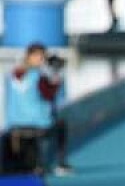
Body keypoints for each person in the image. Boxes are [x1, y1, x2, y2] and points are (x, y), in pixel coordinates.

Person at [3, 43, 73, 175]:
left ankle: (36, 163)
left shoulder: (11, 74)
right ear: (29, 56)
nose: (41, 60)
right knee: (61, 125)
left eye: (43, 57)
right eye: (39, 57)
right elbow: (49, 95)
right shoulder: (39, 76)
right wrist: (57, 76)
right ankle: (61, 164)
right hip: (39, 123)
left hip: (13, 123)